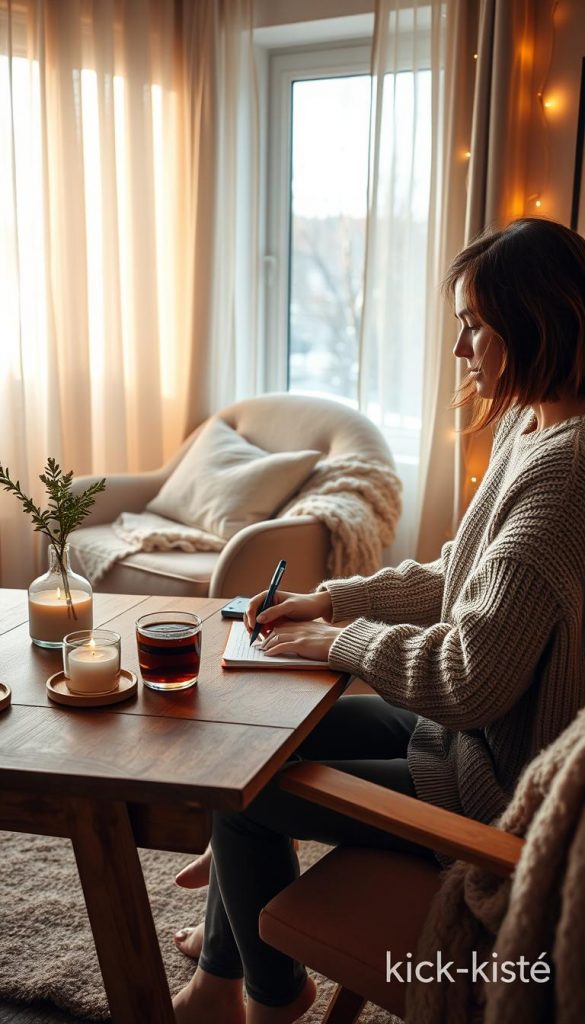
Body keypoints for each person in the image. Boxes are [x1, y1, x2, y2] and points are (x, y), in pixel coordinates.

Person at [172, 217, 585, 1024]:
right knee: (246, 743)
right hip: (459, 743)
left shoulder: (564, 481)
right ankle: (223, 974)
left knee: (243, 796)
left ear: (535, 322)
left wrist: (337, 641)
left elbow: (466, 680)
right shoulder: (529, 424)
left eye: (473, 326)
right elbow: (457, 575)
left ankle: (268, 994)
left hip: (491, 786)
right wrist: (333, 598)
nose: (460, 351)